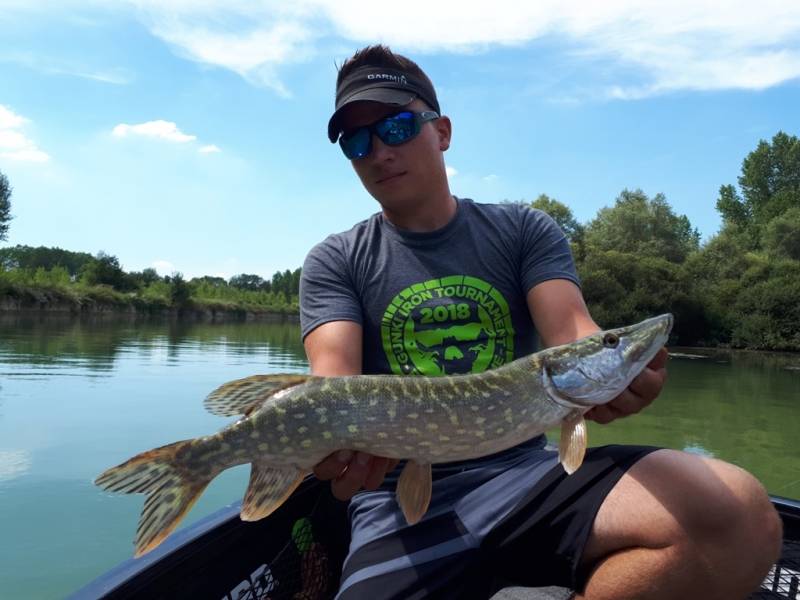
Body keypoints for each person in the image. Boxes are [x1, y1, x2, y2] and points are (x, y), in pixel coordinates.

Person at [299, 45, 781, 600]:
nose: (380, 151)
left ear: (443, 131)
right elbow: (331, 383)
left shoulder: (523, 230)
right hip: (394, 499)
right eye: (357, 141)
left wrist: (617, 363)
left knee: (738, 516)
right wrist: (324, 450)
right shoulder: (336, 259)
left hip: (527, 479)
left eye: (399, 125)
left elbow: (573, 333)